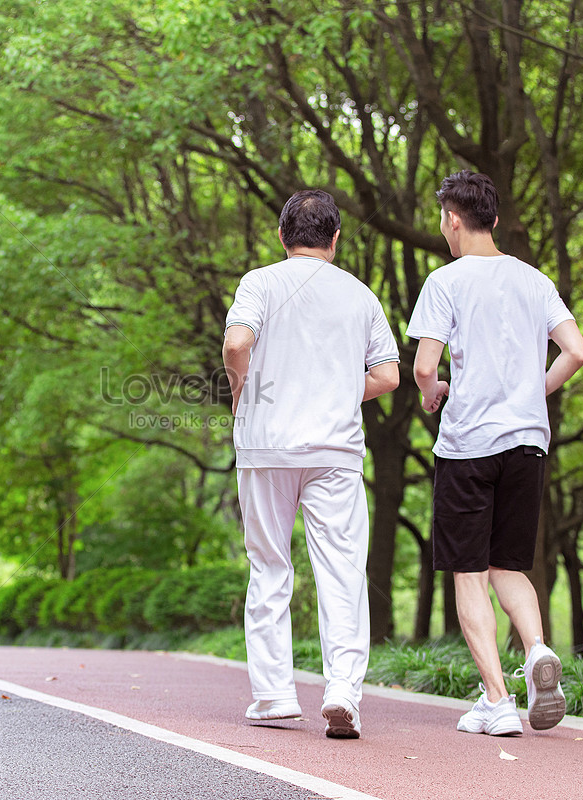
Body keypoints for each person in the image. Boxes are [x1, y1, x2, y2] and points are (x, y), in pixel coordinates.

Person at [406, 170, 583, 735]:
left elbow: (423, 367)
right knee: (509, 564)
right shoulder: (535, 280)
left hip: (468, 446)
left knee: (468, 572)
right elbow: (576, 352)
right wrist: (534, 390)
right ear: (496, 221)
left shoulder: (446, 281)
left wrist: (432, 392)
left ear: (453, 220)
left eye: (443, 220)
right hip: (528, 442)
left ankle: (497, 701)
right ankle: (535, 651)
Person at [222, 189, 401, 739]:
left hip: (265, 447)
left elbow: (235, 345)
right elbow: (390, 376)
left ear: (282, 237)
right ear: (335, 238)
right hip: (335, 452)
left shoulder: (260, 282)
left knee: (270, 567)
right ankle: (343, 688)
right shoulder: (360, 295)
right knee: (342, 570)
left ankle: (275, 696)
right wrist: (339, 391)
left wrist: (241, 390)